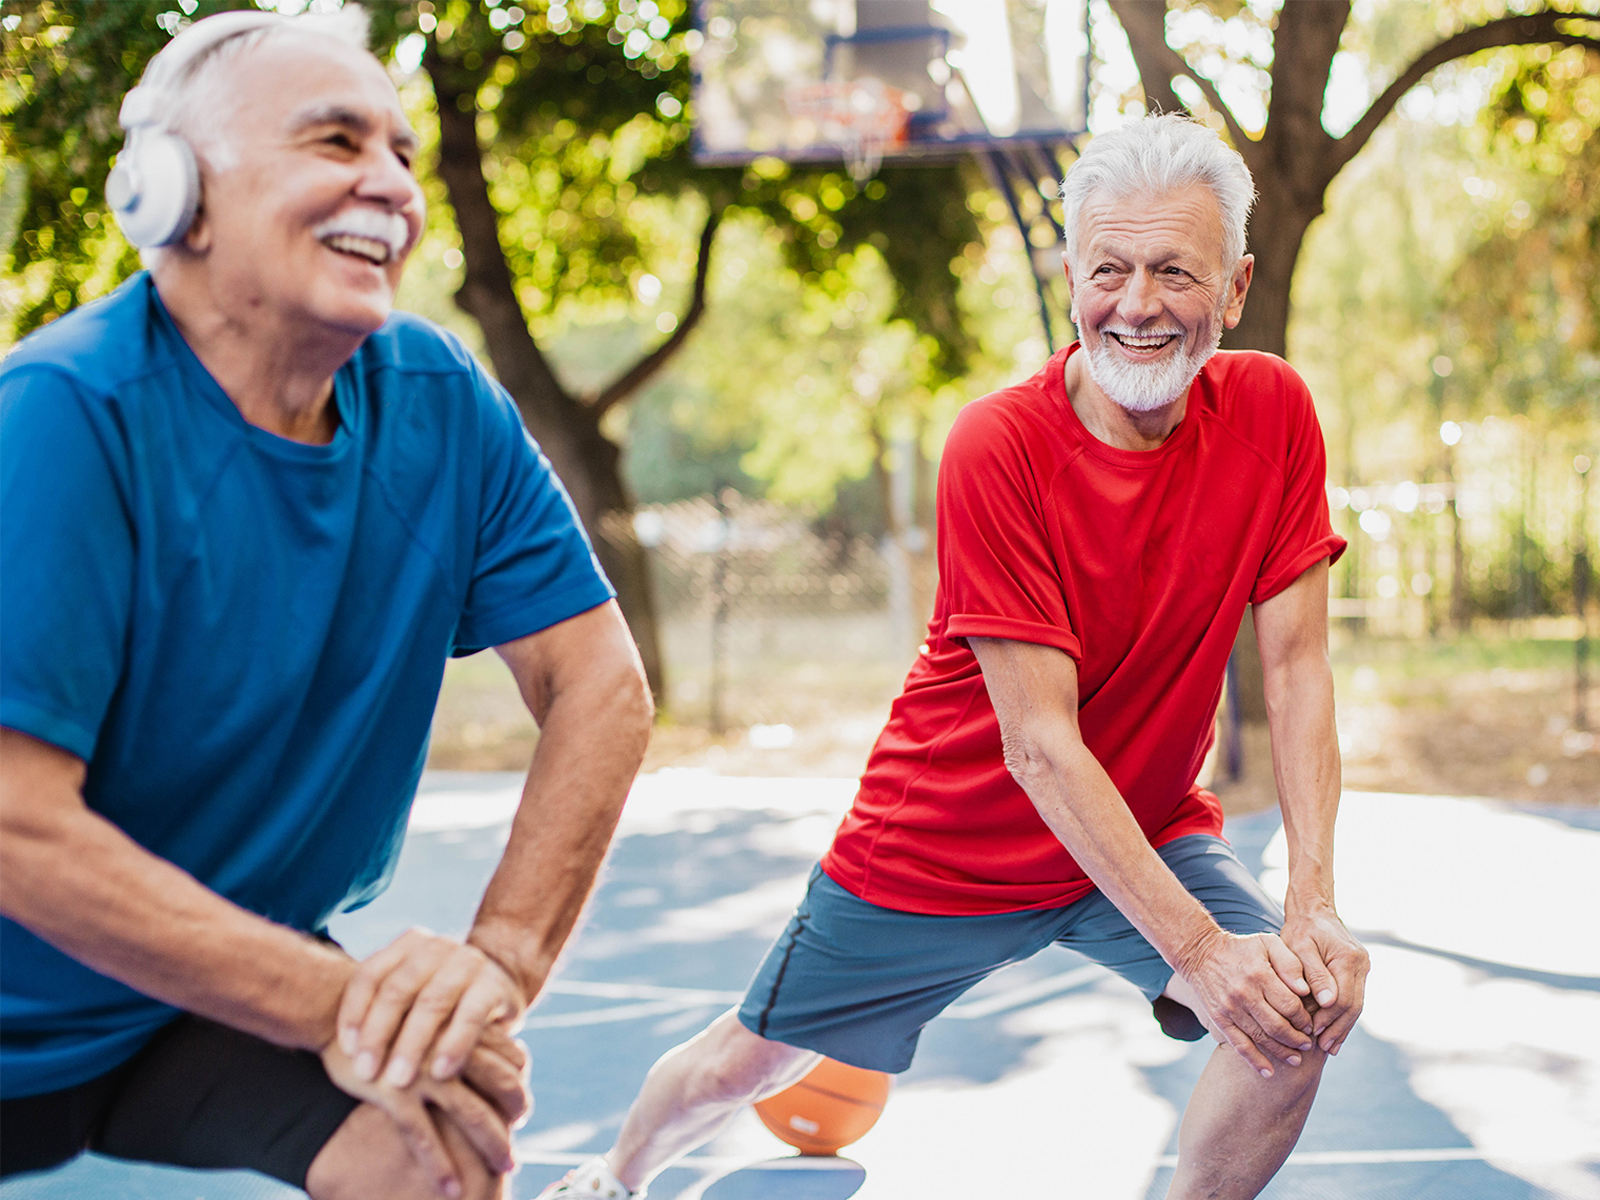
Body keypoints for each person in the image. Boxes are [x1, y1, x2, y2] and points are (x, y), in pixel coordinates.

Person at [538, 113, 1371, 1200]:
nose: (1136, 304)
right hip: (942, 848)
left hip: (1144, 828)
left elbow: (1301, 670)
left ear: (1235, 286)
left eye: (1175, 270)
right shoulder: (1000, 446)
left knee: (1293, 1013)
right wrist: (1203, 956)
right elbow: (1037, 746)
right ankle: (615, 1176)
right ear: (1070, 272)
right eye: (1109, 268)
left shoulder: (1272, 411)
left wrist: (1311, 902)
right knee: (743, 1062)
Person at [0, 9, 652, 1200]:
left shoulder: (441, 402)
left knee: (439, 1143)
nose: (390, 186)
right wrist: (346, 1002)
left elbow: (597, 684)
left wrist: (492, 968)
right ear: (170, 193)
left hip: (181, 1006)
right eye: (335, 141)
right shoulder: (61, 414)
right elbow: (13, 824)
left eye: (402, 154)